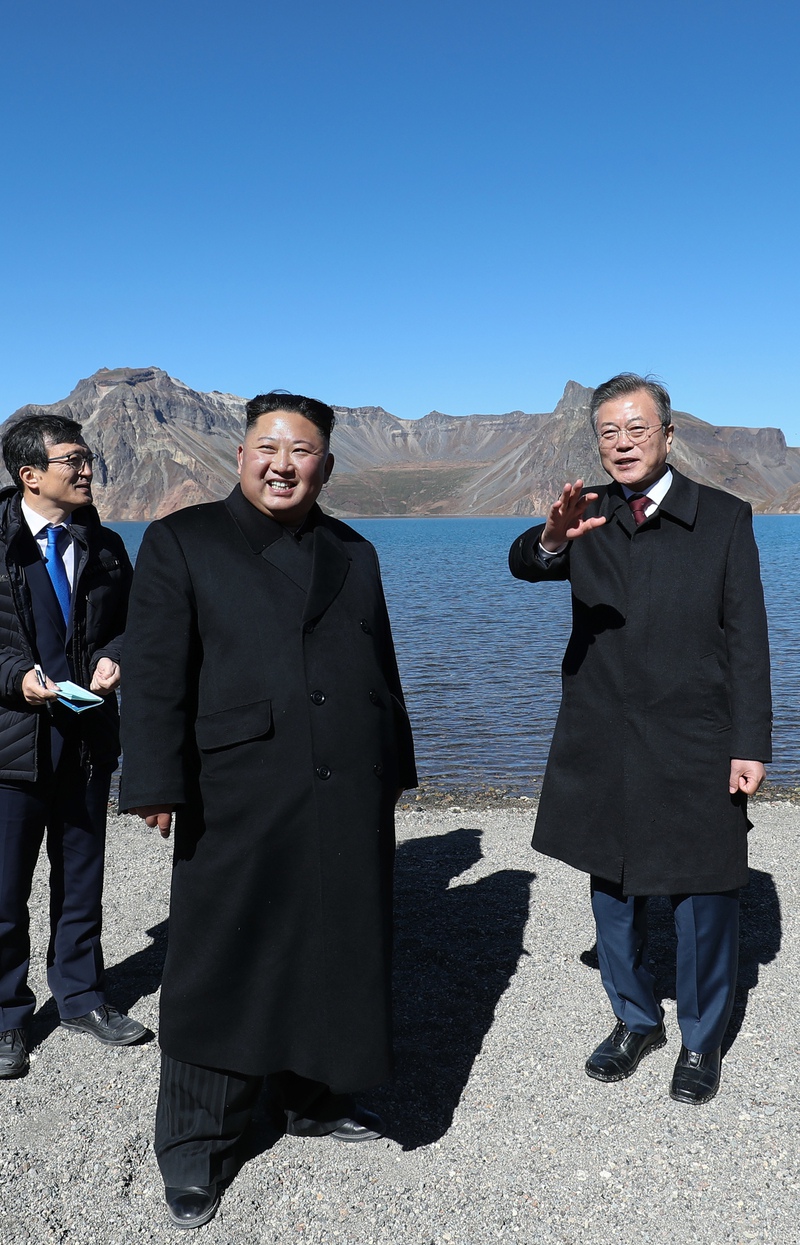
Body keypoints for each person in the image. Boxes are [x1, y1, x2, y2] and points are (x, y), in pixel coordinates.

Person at [119, 390, 417, 1229]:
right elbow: (152, 674)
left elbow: (378, 665)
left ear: (326, 463)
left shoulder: (354, 549)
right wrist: (153, 780)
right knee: (222, 959)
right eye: (267, 447)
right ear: (241, 453)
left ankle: (311, 1095)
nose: (283, 463)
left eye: (303, 450)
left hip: (347, 789)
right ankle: (194, 1144)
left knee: (335, 946)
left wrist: (393, 765)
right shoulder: (183, 540)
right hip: (238, 789)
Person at [509, 373, 771, 1106]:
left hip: (695, 735)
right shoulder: (584, 511)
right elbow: (525, 562)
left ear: (667, 434)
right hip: (605, 734)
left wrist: (750, 741)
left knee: (704, 891)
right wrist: (551, 537)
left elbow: (749, 639)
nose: (621, 443)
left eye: (636, 429)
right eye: (608, 433)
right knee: (613, 884)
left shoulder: (722, 516)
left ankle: (699, 1038)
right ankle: (632, 1018)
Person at [0, 414, 149, 1080]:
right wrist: (16, 678)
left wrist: (116, 658)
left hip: (87, 741)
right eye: (73, 460)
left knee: (82, 879)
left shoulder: (107, 546)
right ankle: (6, 1017)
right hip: (11, 748)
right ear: (30, 474)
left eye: (88, 457)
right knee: (3, 891)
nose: (87, 468)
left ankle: (82, 997)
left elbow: (135, 625)